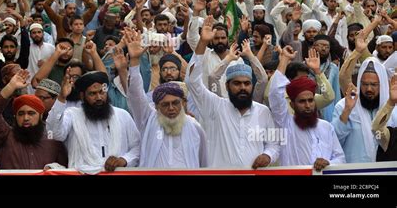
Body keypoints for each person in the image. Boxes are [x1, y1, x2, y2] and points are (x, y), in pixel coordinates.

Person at [186, 16, 280, 168]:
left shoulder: (263, 112)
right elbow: (193, 82)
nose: (243, 87)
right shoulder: (215, 106)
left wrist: (268, 155)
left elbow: (274, 144)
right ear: (228, 86)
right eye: (237, 83)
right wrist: (203, 42)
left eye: (247, 83)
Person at [125, 29, 208, 168]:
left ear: (183, 103)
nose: (171, 108)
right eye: (165, 104)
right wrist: (134, 61)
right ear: (156, 106)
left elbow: (203, 162)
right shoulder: (149, 118)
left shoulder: (195, 126)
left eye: (175, 103)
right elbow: (135, 94)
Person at [268, 45, 345, 171]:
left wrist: (328, 163)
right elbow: (275, 92)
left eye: (310, 100)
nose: (308, 105)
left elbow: (340, 158)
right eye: (302, 102)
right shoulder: (285, 124)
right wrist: (284, 59)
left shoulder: (326, 127)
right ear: (292, 105)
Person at [46, 71, 140, 173]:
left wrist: (124, 160)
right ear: (82, 96)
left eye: (102, 92)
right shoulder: (72, 115)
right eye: (92, 94)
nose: (99, 97)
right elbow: (55, 133)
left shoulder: (123, 115)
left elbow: (137, 147)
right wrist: (61, 98)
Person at [0, 70, 67, 169]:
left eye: (31, 113)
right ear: (15, 117)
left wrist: (54, 167)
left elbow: (65, 167)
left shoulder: (53, 138)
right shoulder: (6, 136)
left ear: (40, 116)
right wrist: (10, 87)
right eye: (21, 114)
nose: (26, 118)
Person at [332, 58, 391, 163]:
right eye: (364, 84)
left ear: (382, 85)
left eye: (373, 85)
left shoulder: (392, 110)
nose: (368, 89)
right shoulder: (343, 105)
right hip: (355, 171)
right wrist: (347, 111)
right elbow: (334, 141)